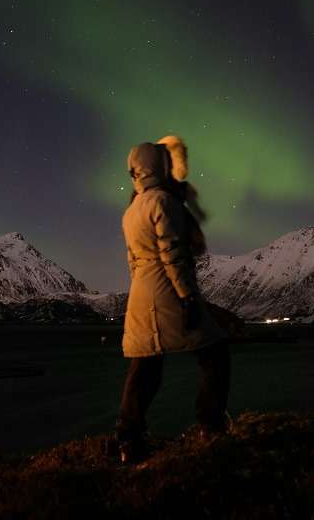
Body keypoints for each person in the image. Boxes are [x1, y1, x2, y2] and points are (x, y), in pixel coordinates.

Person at [116, 137, 229, 464]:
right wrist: (188, 297)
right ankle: (211, 427)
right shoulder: (163, 203)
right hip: (167, 291)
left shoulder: (131, 210)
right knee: (214, 353)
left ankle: (129, 439)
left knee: (146, 365)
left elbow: (133, 261)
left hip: (141, 292)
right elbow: (173, 254)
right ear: (159, 167)